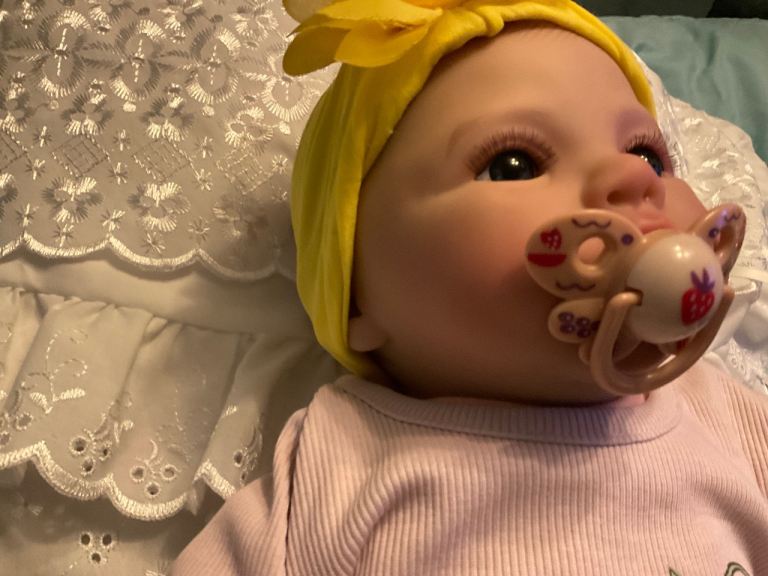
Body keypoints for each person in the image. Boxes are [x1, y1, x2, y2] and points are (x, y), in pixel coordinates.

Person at [172, 1, 768, 574]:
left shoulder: (727, 420)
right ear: (356, 296)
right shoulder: (341, 461)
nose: (633, 179)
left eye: (649, 155)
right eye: (514, 164)